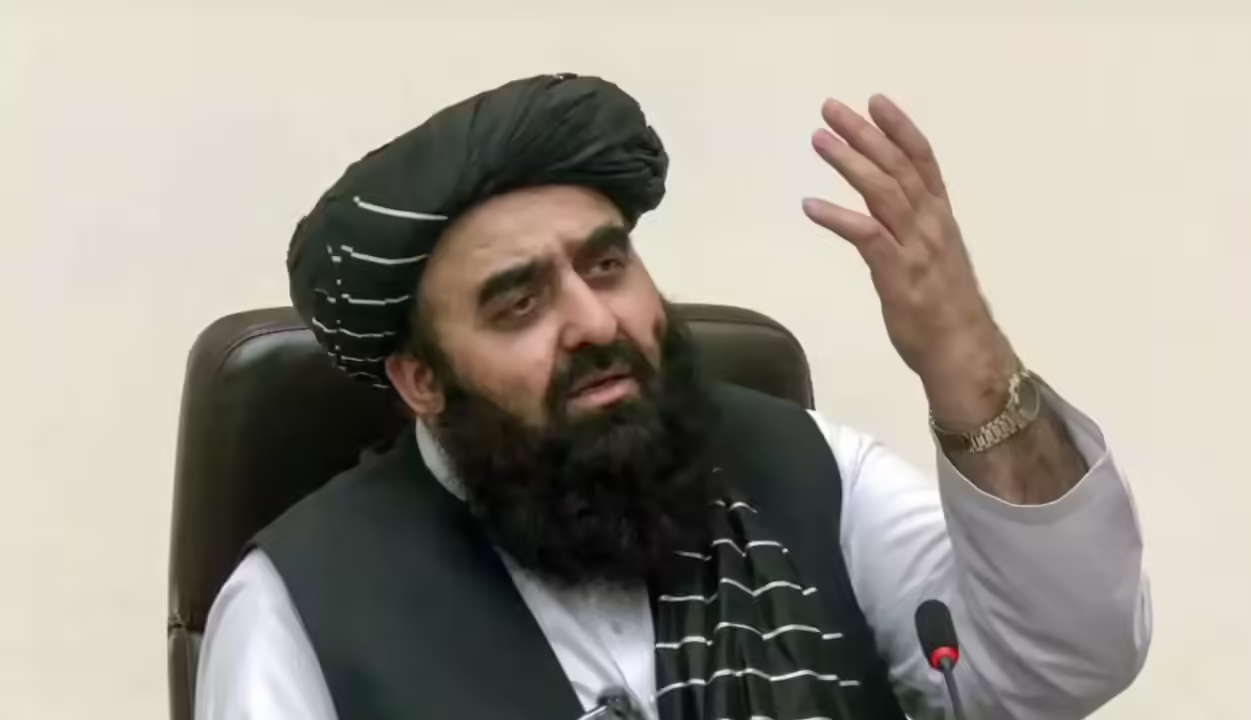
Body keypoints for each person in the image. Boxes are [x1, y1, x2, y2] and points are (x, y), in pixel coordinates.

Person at [194, 74, 1151, 720]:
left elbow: (1064, 663)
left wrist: (966, 360)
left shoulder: (809, 474)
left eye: (607, 265)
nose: (592, 321)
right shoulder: (301, 610)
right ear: (421, 380)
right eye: (519, 302)